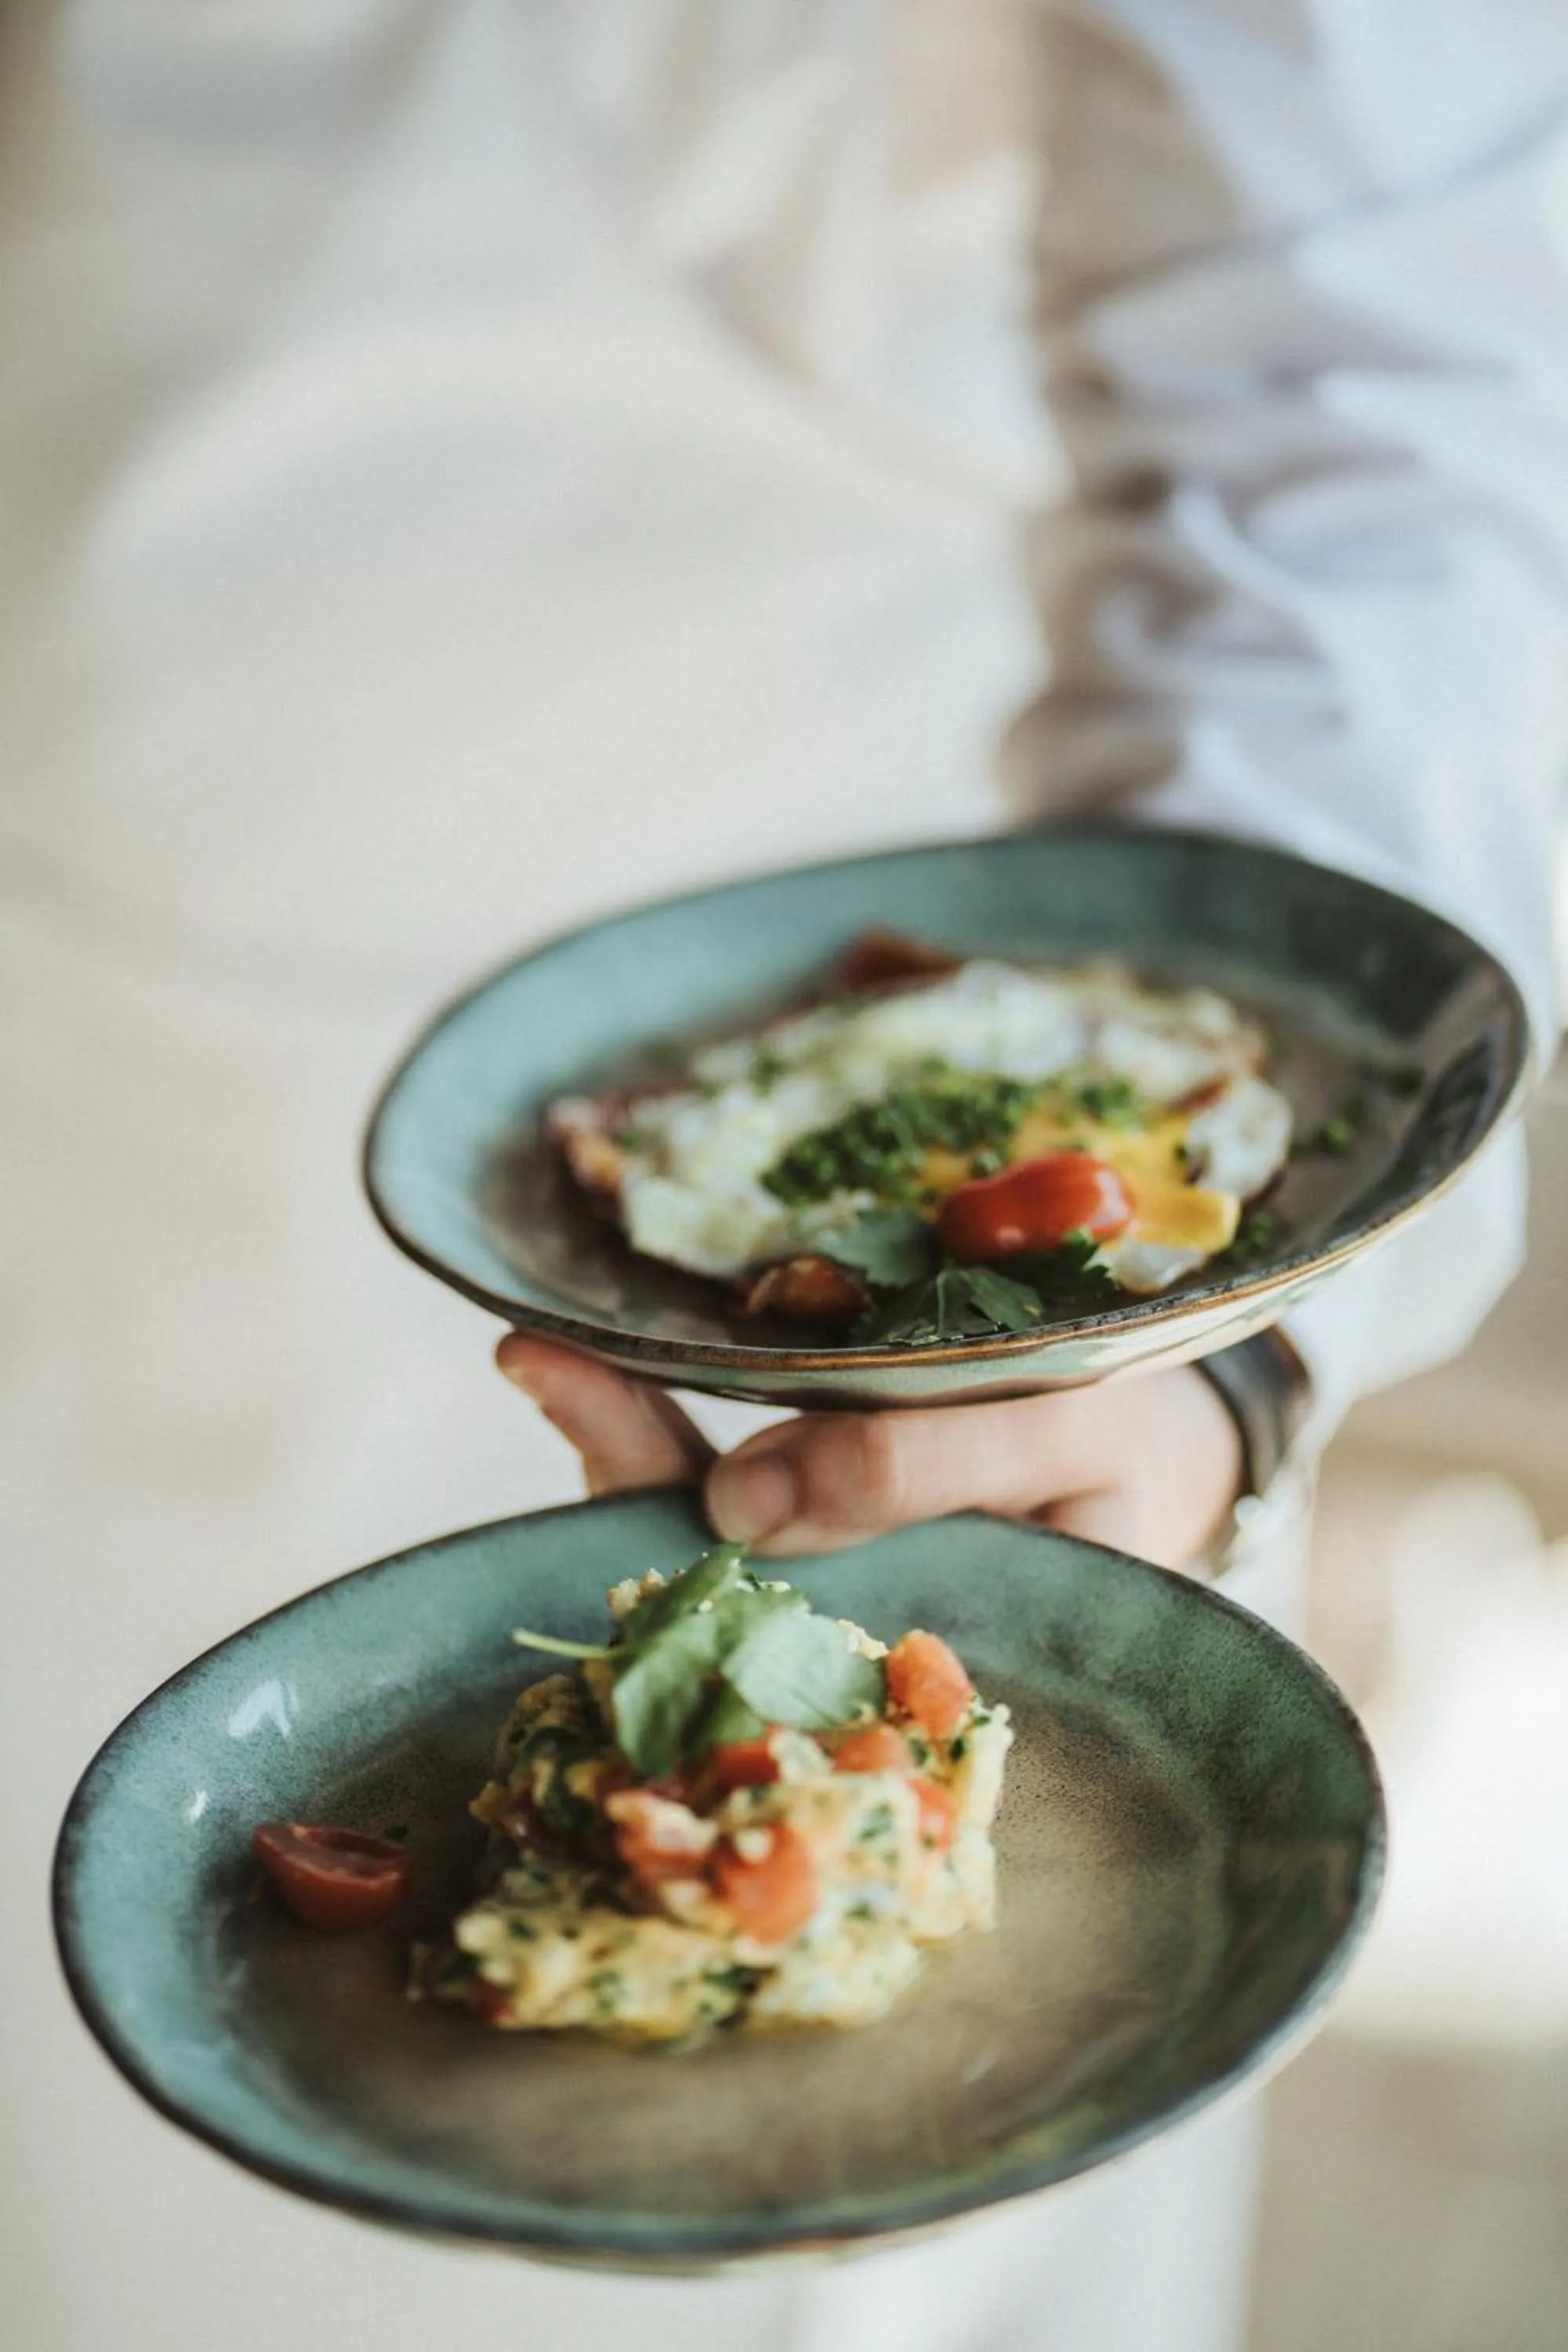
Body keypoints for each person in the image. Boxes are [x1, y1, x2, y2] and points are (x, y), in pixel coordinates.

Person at [4, 6, 1563, 2352]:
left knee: (901, 2168)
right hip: (116, 967)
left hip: (902, 934)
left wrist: (1181, 1346)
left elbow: (1377, 378)